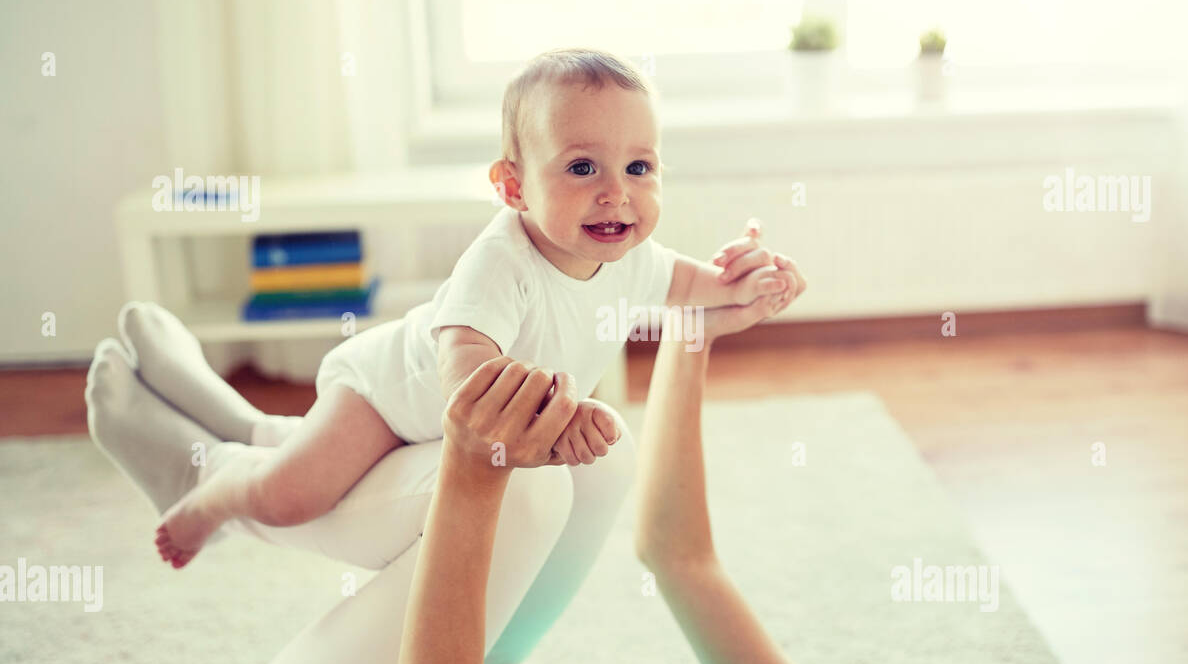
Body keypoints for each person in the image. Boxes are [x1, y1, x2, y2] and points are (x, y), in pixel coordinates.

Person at [86, 227, 883, 664]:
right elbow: (682, 560)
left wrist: (476, 463)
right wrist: (693, 327)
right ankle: (261, 442)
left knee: (527, 482)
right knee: (599, 463)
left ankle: (229, 472)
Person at [142, 47, 797, 567]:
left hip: (438, 422)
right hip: (389, 398)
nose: (616, 194)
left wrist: (747, 282)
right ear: (513, 187)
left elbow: (690, 287)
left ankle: (264, 434)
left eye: (638, 168)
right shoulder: (501, 262)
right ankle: (216, 495)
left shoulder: (635, 259)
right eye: (581, 168)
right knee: (295, 497)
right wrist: (553, 419)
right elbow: (466, 376)